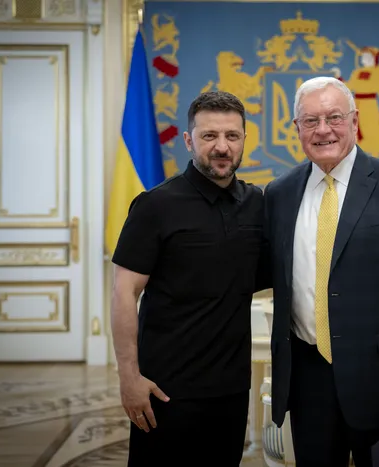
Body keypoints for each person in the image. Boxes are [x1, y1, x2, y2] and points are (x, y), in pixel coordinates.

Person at [262, 76, 379, 466]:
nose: (323, 129)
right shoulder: (279, 194)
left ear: (355, 120)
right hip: (307, 380)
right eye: (310, 121)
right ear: (297, 128)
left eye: (334, 117)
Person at [109, 91, 265, 466]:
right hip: (165, 391)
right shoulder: (155, 206)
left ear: (244, 139)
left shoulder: (257, 204)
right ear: (188, 140)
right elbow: (124, 293)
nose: (222, 146)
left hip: (231, 390)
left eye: (232, 135)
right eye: (209, 135)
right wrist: (129, 378)